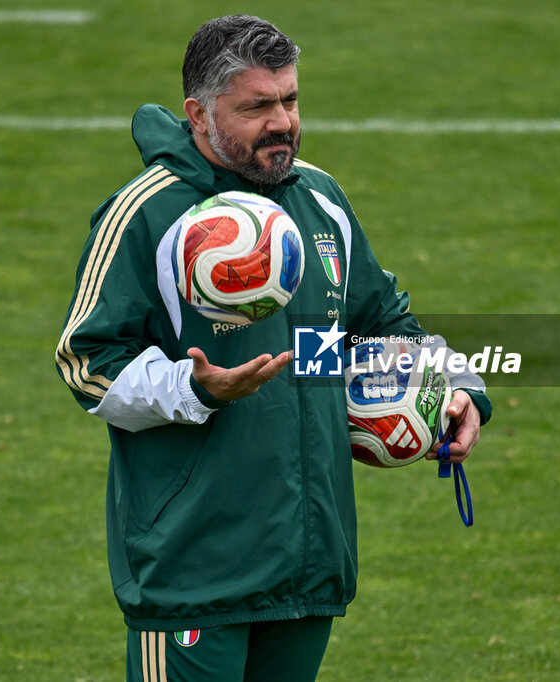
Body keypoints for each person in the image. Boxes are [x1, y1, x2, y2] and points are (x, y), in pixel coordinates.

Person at [56, 14, 491, 682]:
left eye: (289, 99)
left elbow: (386, 325)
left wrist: (459, 390)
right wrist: (197, 389)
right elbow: (87, 363)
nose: (283, 121)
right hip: (193, 569)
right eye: (257, 106)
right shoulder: (148, 214)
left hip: (307, 565)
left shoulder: (320, 200)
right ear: (199, 114)